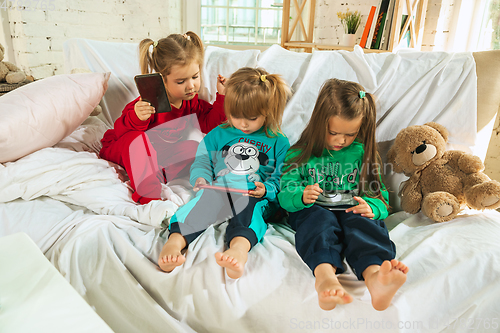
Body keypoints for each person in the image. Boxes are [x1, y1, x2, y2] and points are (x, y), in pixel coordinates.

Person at [278, 78, 409, 311]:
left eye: (350, 134)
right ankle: (325, 278)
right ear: (319, 123)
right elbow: (285, 193)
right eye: (334, 132)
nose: (341, 141)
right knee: (319, 222)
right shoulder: (299, 153)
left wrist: (372, 207)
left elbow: (380, 198)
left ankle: (376, 278)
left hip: (350, 207)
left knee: (364, 223)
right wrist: (300, 195)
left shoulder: (361, 153)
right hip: (314, 209)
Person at [158, 67, 291, 279]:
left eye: (252, 118)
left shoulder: (279, 141)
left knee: (249, 214)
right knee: (199, 205)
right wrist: (200, 177)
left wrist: (267, 189)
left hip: (252, 194)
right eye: (236, 116)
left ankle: (238, 250)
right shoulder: (219, 133)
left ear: (269, 111)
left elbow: (283, 176)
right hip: (219, 188)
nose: (243, 123)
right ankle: (174, 242)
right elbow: (203, 159)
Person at [100, 31, 227, 204]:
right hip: (122, 149)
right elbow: (122, 132)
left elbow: (210, 124)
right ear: (163, 79)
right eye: (181, 81)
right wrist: (137, 117)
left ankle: (157, 175)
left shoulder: (190, 102)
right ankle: (149, 195)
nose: (191, 86)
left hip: (157, 158)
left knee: (194, 147)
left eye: (195, 77)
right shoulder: (149, 104)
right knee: (136, 139)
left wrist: (222, 96)